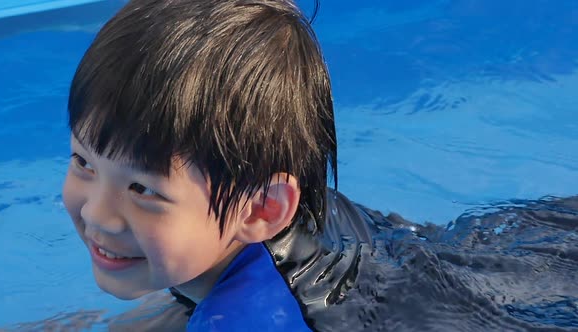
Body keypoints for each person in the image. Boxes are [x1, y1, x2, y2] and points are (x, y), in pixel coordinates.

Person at [62, 0, 578, 331]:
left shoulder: (259, 319)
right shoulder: (244, 214)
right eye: (83, 161)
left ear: (264, 208)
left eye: (143, 190)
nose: (98, 215)